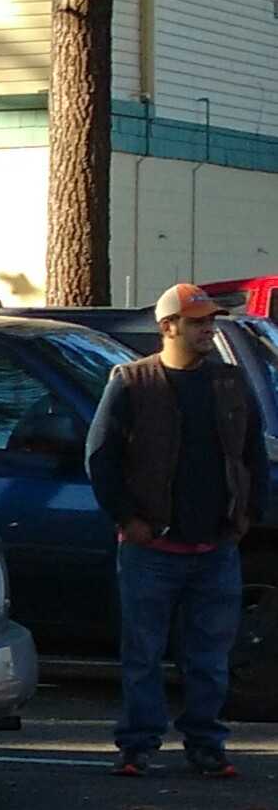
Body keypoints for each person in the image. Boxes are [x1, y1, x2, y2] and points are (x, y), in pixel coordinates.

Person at [84, 281, 269, 777]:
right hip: (152, 547)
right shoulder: (132, 381)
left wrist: (248, 514)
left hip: (215, 544)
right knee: (143, 652)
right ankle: (138, 744)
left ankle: (206, 743)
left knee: (209, 655)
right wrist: (128, 520)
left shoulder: (229, 382)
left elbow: (252, 452)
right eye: (198, 322)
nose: (209, 329)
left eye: (211, 321)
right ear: (169, 327)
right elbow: (100, 460)